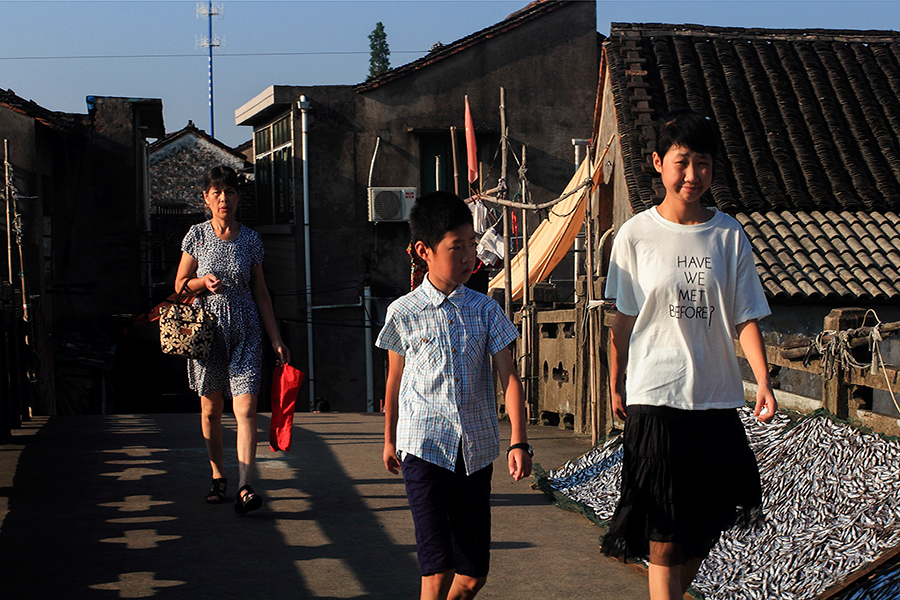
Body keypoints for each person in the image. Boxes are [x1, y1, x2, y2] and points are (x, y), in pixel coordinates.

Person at [601, 109, 777, 600]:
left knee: (705, 525)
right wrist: (616, 380)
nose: (693, 175)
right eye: (683, 162)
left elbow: (744, 317)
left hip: (716, 397)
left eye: (703, 163)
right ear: (658, 163)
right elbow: (624, 317)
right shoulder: (635, 235)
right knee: (663, 528)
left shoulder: (728, 235)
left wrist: (761, 381)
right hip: (655, 394)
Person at [376, 191, 532, 600]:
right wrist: (390, 438)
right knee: (437, 568)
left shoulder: (486, 310)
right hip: (423, 448)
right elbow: (394, 380)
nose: (468, 256)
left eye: (472, 246)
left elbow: (509, 378)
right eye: (456, 247)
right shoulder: (404, 312)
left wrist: (519, 440)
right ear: (424, 251)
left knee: (472, 576)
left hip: (475, 451)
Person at [174, 165, 290, 515]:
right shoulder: (196, 235)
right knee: (211, 409)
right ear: (207, 198)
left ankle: (244, 485)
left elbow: (262, 292)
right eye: (217, 193)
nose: (224, 198)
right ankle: (217, 475)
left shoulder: (251, 239)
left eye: (231, 192)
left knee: (247, 410)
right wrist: (201, 281)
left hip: (246, 330)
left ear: (239, 198)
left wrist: (276, 338)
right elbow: (179, 284)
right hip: (208, 332)